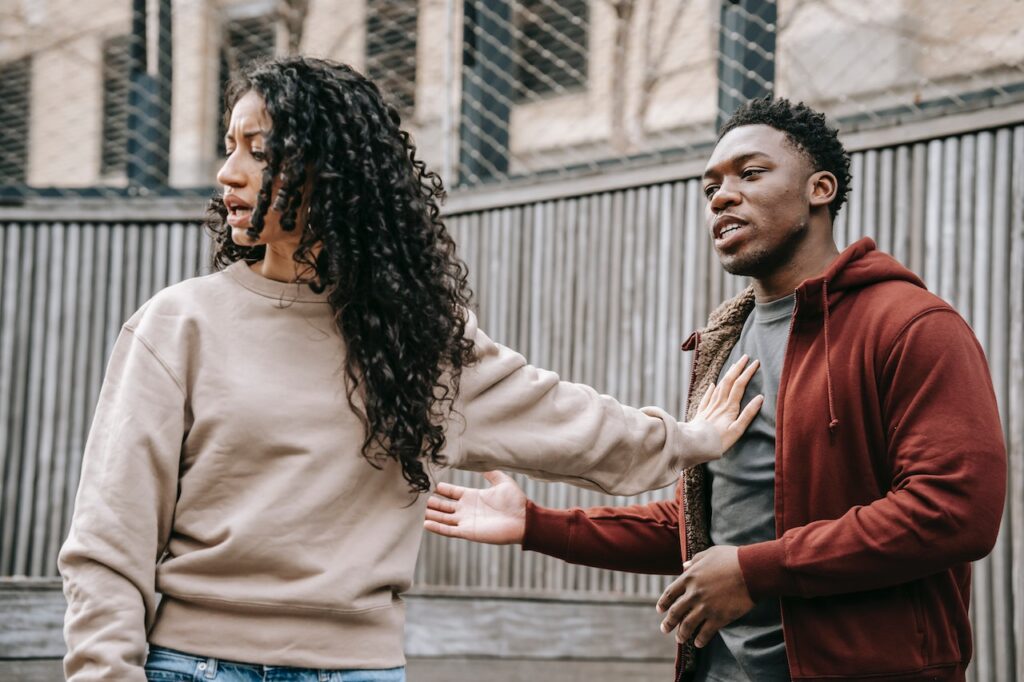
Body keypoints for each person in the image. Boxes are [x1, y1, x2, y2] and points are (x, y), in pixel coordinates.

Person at [57, 56, 764, 682]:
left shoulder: (417, 342)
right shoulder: (178, 325)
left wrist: (690, 438)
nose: (227, 172)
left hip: (357, 670)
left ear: (330, 169)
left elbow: (567, 421)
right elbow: (107, 541)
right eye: (229, 148)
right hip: (194, 667)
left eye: (258, 150)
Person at [425, 97, 1007, 681]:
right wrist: (535, 524)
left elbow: (955, 512)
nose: (722, 197)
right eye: (710, 189)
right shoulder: (727, 341)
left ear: (820, 188)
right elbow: (704, 526)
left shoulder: (910, 325)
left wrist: (756, 571)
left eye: (750, 174)